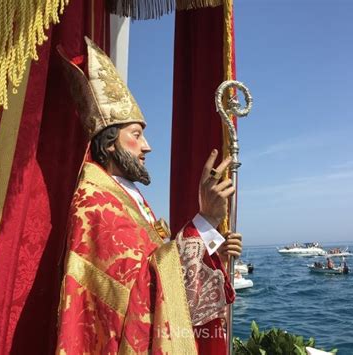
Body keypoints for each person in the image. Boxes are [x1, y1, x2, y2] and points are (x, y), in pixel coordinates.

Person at [55, 37, 243, 354]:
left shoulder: (127, 199)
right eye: (137, 135)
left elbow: (160, 276)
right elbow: (146, 292)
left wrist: (213, 251)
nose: (147, 147)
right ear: (110, 142)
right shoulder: (97, 203)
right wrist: (206, 221)